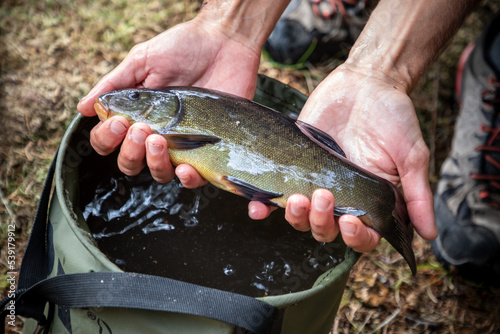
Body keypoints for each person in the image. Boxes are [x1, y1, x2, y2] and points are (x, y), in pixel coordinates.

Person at [78, 0, 485, 261]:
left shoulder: (176, 122)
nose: (122, 101)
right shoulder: (175, 121)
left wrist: (383, 72)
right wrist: (227, 24)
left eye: (135, 99)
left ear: (165, 106)